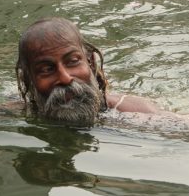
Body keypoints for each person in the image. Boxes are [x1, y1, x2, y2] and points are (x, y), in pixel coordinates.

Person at [15, 17, 171, 126]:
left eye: (73, 61)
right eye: (47, 69)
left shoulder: (134, 114)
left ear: (90, 62)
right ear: (28, 80)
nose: (65, 78)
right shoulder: (21, 113)